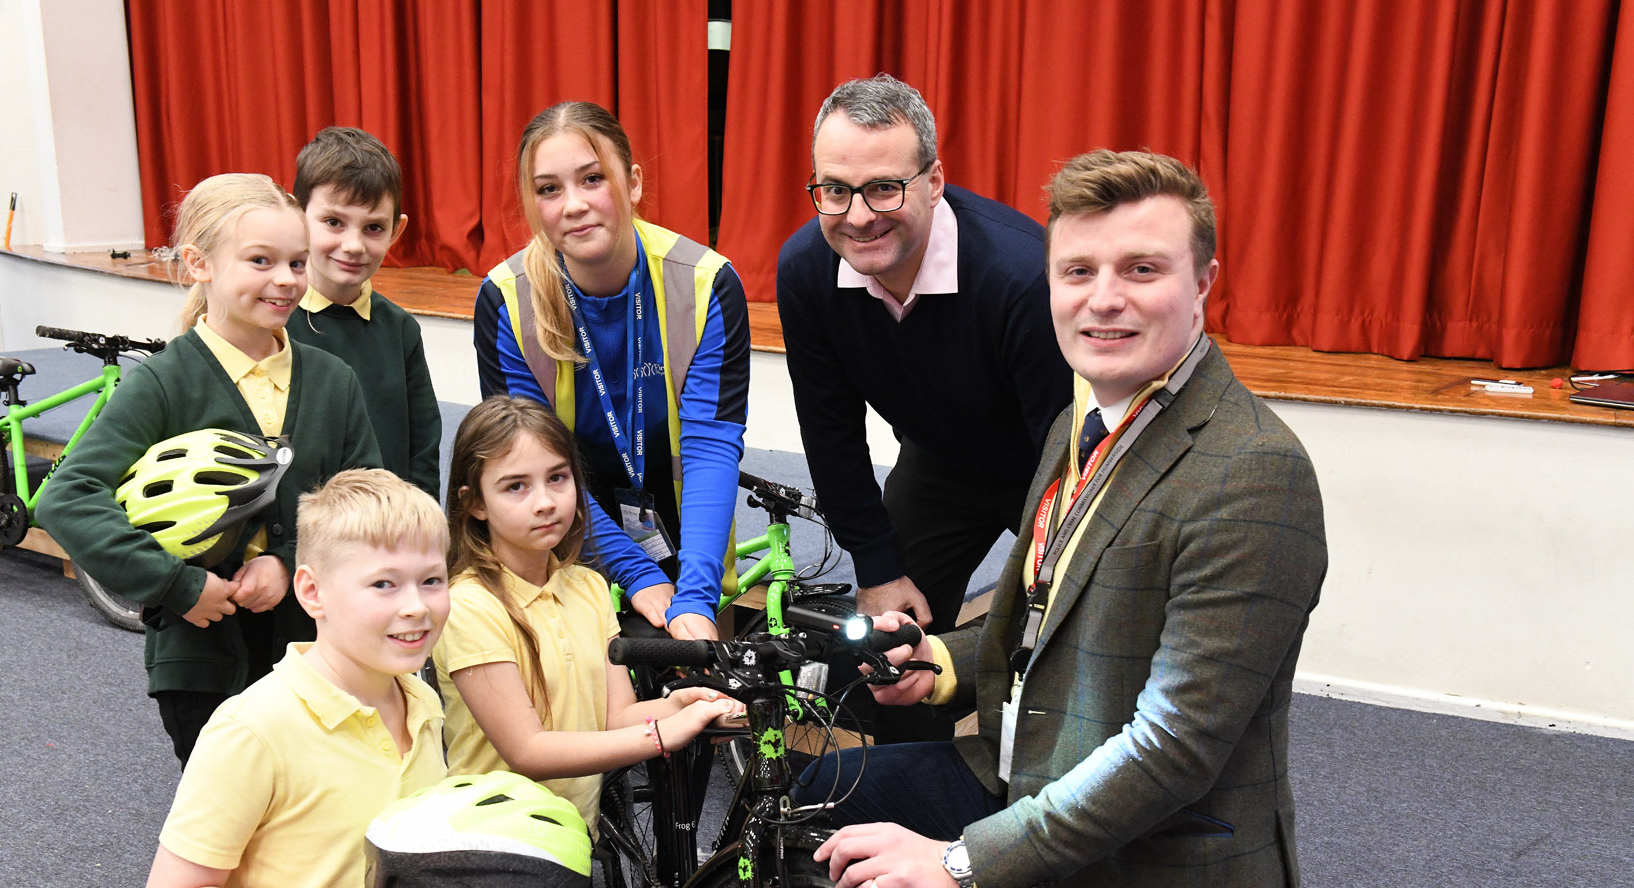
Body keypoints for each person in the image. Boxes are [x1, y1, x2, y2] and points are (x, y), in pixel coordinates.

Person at [805, 150, 1582, 888]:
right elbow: (1031, 616)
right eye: (1077, 272)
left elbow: (1170, 749)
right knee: (830, 791)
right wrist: (947, 665)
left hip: (1161, 873)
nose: (1102, 300)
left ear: (1203, 283)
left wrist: (959, 864)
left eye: (1141, 269)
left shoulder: (1250, 474)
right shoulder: (1079, 420)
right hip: (1036, 770)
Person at [86, 469, 458, 888]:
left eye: (432, 579)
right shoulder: (255, 729)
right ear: (311, 591)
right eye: (383, 584)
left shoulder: (421, 699)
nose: (417, 606)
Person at [432, 395, 739, 888]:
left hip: (569, 842)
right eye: (515, 486)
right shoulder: (469, 605)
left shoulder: (591, 588)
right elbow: (530, 750)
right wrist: (664, 737)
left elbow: (614, 716)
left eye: (558, 479)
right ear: (473, 503)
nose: (544, 502)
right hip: (494, 856)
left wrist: (680, 703)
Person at [39, 173, 382, 769]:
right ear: (199, 263)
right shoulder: (162, 382)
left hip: (321, 647)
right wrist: (179, 585)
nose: (286, 280)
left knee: (323, 815)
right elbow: (67, 499)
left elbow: (369, 503)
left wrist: (290, 559)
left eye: (298, 263)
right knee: (230, 830)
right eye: (260, 260)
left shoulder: (334, 380)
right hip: (201, 658)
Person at [776, 73, 1073, 696]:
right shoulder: (806, 270)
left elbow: (1069, 447)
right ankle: (915, 776)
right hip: (940, 464)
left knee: (1065, 637)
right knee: (890, 651)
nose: (858, 217)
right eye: (835, 190)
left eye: (884, 188)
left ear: (934, 182)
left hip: (1050, 470)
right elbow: (831, 433)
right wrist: (876, 566)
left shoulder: (1020, 277)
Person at [474, 100, 749, 642]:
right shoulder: (507, 300)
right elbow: (527, 464)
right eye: (548, 189)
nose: (573, 205)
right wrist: (634, 570)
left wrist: (695, 594)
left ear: (634, 182)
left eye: (593, 178)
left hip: (687, 532)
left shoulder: (705, 283)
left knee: (708, 698)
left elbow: (710, 446)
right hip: (555, 530)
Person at [287, 126, 442, 499]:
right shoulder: (272, 321)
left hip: (384, 532)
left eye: (374, 227)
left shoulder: (400, 330)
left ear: (396, 231)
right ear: (296, 215)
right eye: (333, 222)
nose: (353, 245)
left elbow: (423, 449)